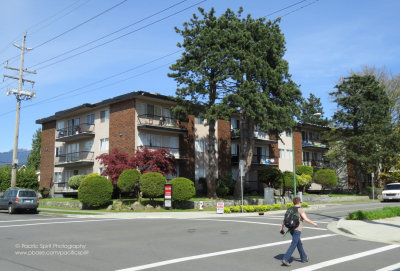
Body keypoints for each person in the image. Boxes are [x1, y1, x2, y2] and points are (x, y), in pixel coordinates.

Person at [280, 197, 318, 267]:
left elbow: (284, 220)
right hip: (297, 229)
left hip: (291, 229)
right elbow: (306, 219)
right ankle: (285, 259)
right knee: (294, 244)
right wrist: (314, 223)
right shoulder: (300, 209)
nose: (301, 203)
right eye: (301, 202)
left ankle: (304, 257)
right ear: (299, 202)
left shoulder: (290, 209)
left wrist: (281, 228)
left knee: (299, 243)